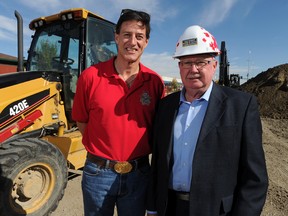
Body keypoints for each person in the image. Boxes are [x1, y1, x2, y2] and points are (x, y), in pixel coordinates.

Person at [147, 25, 268, 216]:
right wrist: (153, 208)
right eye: (186, 63)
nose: (193, 69)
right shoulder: (165, 107)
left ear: (214, 65)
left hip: (215, 210)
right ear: (179, 67)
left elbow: (255, 178)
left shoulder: (241, 106)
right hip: (169, 208)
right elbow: (158, 162)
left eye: (201, 62)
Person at [72, 9, 164, 216]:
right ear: (116, 37)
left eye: (139, 36)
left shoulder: (155, 82)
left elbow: (157, 126)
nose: (132, 42)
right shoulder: (90, 77)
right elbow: (82, 121)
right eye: (127, 35)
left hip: (139, 174)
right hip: (97, 174)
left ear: (147, 42)